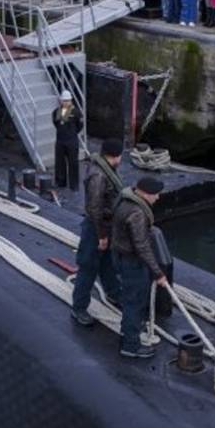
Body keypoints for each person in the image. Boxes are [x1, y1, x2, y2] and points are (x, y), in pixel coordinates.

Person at [111, 177, 168, 359]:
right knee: (134, 303)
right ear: (144, 193)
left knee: (130, 298)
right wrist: (158, 273)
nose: (157, 197)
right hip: (132, 262)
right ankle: (131, 345)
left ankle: (126, 331)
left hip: (121, 255)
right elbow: (141, 246)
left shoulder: (124, 200)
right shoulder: (137, 213)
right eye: (155, 194)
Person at [70, 139, 125, 327]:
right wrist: (101, 235)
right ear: (116, 156)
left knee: (108, 263)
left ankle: (114, 293)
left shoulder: (105, 170)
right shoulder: (99, 175)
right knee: (88, 267)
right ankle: (79, 308)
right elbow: (94, 208)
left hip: (108, 226)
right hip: (96, 228)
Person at [51, 91, 83, 190]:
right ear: (61, 101)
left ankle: (74, 185)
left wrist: (72, 133)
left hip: (71, 141)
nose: (66, 103)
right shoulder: (56, 112)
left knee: (73, 163)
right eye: (64, 101)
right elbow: (56, 123)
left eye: (68, 101)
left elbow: (80, 125)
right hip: (60, 140)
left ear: (71, 101)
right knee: (60, 162)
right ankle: (60, 182)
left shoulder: (76, 112)